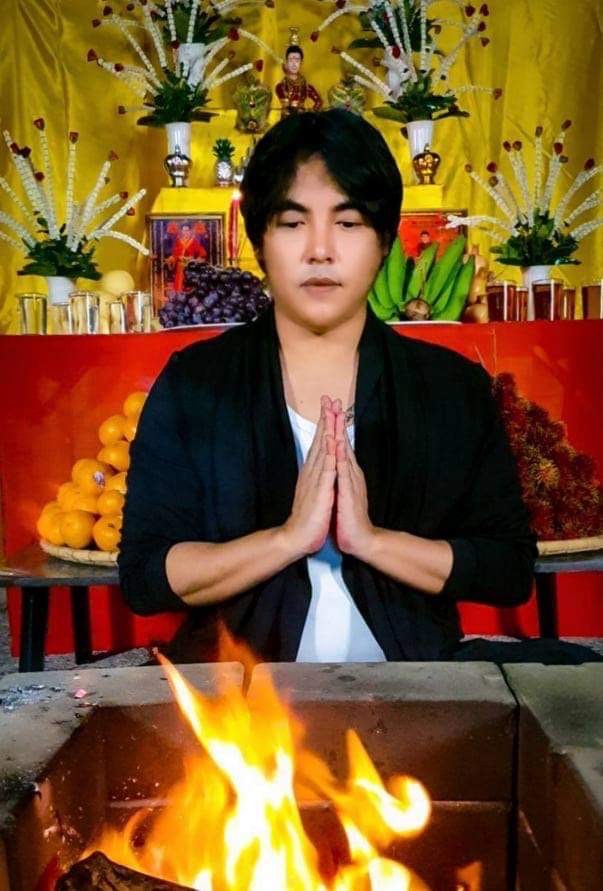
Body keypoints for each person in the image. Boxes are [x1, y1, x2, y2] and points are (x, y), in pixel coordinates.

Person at [119, 109, 541, 665]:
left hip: (414, 690)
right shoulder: (196, 384)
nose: (320, 250)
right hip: (241, 704)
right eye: (293, 223)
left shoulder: (449, 388)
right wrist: (289, 538)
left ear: (384, 241)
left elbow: (509, 569)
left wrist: (369, 541)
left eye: (348, 223)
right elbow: (146, 577)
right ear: (260, 241)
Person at [275, 44, 323, 119]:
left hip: (301, 122)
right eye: (291, 60)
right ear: (286, 62)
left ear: (301, 63)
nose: (294, 64)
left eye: (297, 60)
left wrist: (311, 113)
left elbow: (319, 101)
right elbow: (287, 109)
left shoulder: (306, 87)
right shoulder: (280, 87)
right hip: (286, 122)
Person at [165, 222, 206, 292]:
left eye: (187, 230)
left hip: (190, 265)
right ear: (182, 231)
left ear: (190, 231)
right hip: (180, 266)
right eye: (184, 230)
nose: (185, 232)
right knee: (179, 284)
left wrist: (196, 259)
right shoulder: (178, 241)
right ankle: (179, 294)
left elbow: (201, 251)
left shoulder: (194, 241)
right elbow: (175, 253)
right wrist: (175, 258)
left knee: (190, 284)